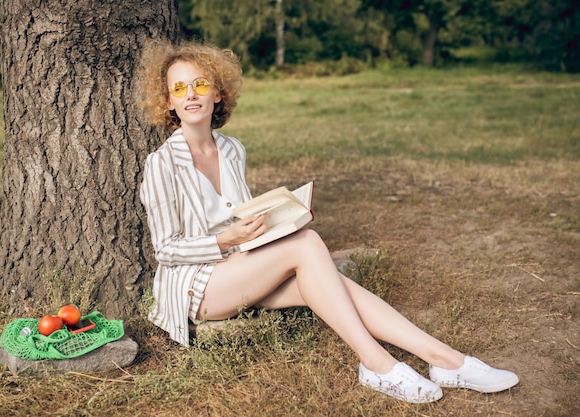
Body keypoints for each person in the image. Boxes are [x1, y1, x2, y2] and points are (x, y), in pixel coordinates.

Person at [138, 39, 519, 404]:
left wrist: (270, 222)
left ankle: (446, 360)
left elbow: (238, 214)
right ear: (168, 101)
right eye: (179, 88)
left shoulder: (232, 149)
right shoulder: (161, 164)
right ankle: (376, 363)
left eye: (200, 84)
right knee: (306, 245)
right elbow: (166, 250)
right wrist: (225, 241)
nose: (191, 94)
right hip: (197, 286)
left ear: (217, 93)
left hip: (242, 266)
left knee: (329, 283)